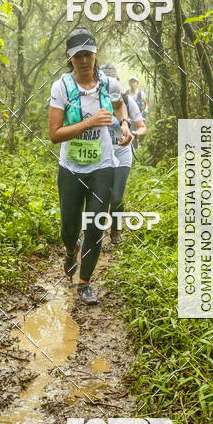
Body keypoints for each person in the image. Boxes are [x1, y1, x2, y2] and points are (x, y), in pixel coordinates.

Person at [49, 28, 132, 305]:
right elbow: (54, 134)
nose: (84, 60)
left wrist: (125, 124)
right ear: (70, 58)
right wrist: (88, 123)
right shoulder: (62, 87)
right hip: (71, 167)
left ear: (96, 54)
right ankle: (72, 249)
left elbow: (120, 106)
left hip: (102, 165)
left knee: (96, 224)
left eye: (88, 54)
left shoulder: (108, 84)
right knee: (70, 229)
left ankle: (84, 283)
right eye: (78, 55)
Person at [100, 64, 147, 245]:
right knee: (101, 196)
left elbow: (142, 127)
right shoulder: (93, 99)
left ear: (117, 81)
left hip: (122, 153)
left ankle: (116, 230)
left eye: (113, 79)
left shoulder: (127, 100)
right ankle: (94, 232)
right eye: (106, 80)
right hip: (100, 155)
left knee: (117, 196)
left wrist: (133, 134)